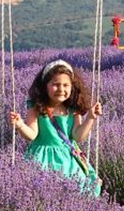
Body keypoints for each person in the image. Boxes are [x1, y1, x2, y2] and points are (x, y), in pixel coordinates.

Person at [9, 59, 104, 196]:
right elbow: (32, 134)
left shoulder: (72, 108)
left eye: (66, 85)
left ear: (72, 87)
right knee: (38, 191)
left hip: (68, 159)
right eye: (56, 84)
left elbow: (78, 136)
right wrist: (20, 125)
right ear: (45, 86)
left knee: (78, 189)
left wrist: (90, 118)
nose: (61, 89)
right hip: (42, 158)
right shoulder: (37, 106)